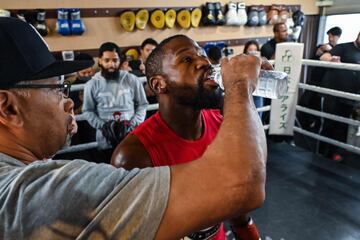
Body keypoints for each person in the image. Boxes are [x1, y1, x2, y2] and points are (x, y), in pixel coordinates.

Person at [0, 18, 266, 239]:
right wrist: (240, 86)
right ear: (7, 107)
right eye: (59, 88)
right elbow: (242, 183)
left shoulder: (220, 124)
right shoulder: (35, 193)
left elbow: (239, 213)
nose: (69, 101)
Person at [111, 35, 266, 240]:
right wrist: (239, 88)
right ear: (159, 84)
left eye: (202, 55)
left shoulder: (221, 123)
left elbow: (240, 208)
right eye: (186, 60)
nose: (204, 62)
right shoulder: (133, 156)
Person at [82, 42, 148, 162]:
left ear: (120, 61)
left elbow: (142, 104)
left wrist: (133, 123)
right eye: (107, 60)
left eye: (115, 60)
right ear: (100, 61)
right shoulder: (92, 84)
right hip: (105, 139)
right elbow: (87, 110)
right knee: (109, 171)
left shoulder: (132, 80)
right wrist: (103, 126)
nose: (111, 64)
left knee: (133, 169)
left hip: (131, 135)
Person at [318, 32, 360, 160]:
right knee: (328, 124)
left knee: (342, 127)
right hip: (333, 94)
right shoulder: (344, 47)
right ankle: (321, 153)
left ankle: (335, 154)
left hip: (351, 97)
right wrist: (332, 59)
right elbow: (323, 56)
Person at [244, 40, 263, 118]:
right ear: (245, 52)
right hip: (245, 94)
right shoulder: (240, 63)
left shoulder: (262, 63)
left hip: (258, 93)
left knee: (258, 116)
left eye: (255, 50)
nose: (253, 52)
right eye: (250, 50)